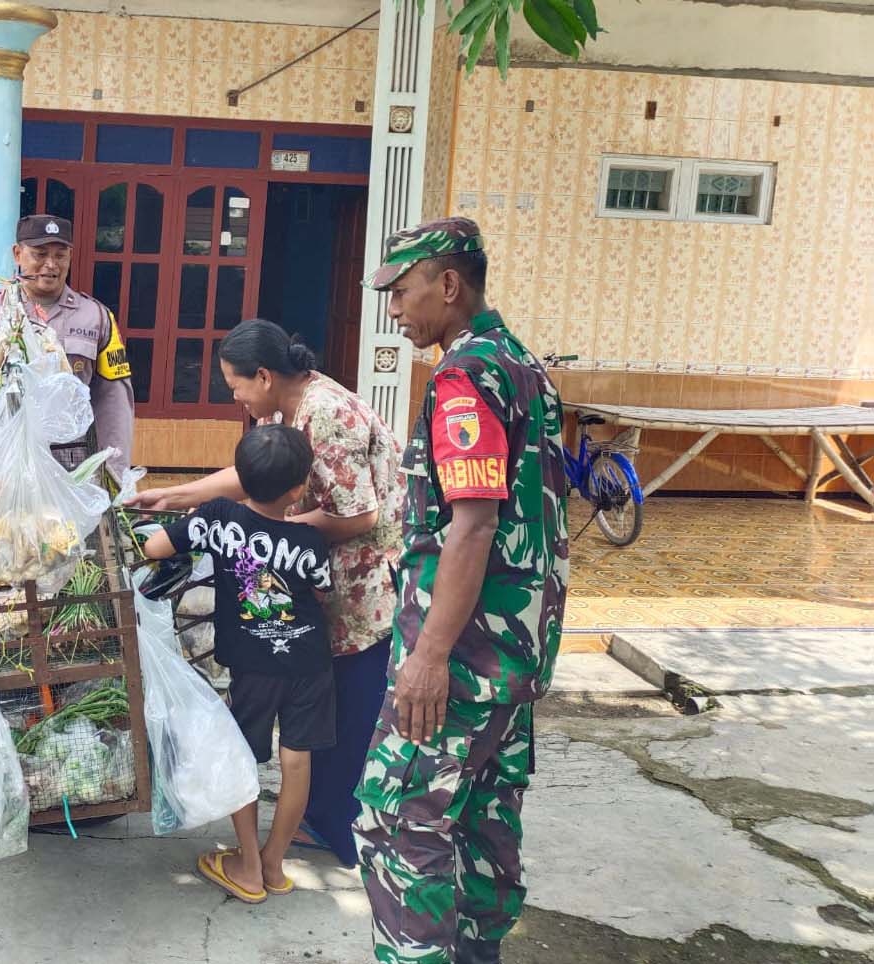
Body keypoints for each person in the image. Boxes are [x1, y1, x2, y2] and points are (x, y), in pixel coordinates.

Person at [352, 217, 569, 964]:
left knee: (397, 824)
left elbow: (471, 526)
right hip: (513, 653)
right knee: (481, 822)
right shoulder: (523, 367)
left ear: (448, 286)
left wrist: (428, 657)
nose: (394, 309)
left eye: (403, 292)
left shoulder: (464, 377)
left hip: (462, 658)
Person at [128, 319, 405, 868]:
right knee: (308, 738)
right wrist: (179, 493)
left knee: (348, 717)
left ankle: (332, 827)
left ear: (263, 375)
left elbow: (360, 514)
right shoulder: (289, 408)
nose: (234, 396)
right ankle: (300, 832)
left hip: (360, 586)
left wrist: (266, 535)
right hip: (314, 591)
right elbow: (256, 475)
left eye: (235, 385)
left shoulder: (326, 413)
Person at [142, 424, 334, 904]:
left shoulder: (216, 516)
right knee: (298, 762)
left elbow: (154, 549)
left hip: (253, 668)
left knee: (242, 758)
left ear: (241, 480)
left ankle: (247, 866)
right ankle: (273, 861)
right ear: (297, 489)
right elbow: (318, 591)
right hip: (310, 663)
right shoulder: (309, 539)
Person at [0, 214, 135, 491]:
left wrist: (115, 474)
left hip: (69, 469)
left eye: (60, 255)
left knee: (64, 536)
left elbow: (114, 403)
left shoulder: (96, 317)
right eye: (39, 254)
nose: (50, 265)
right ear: (18, 254)